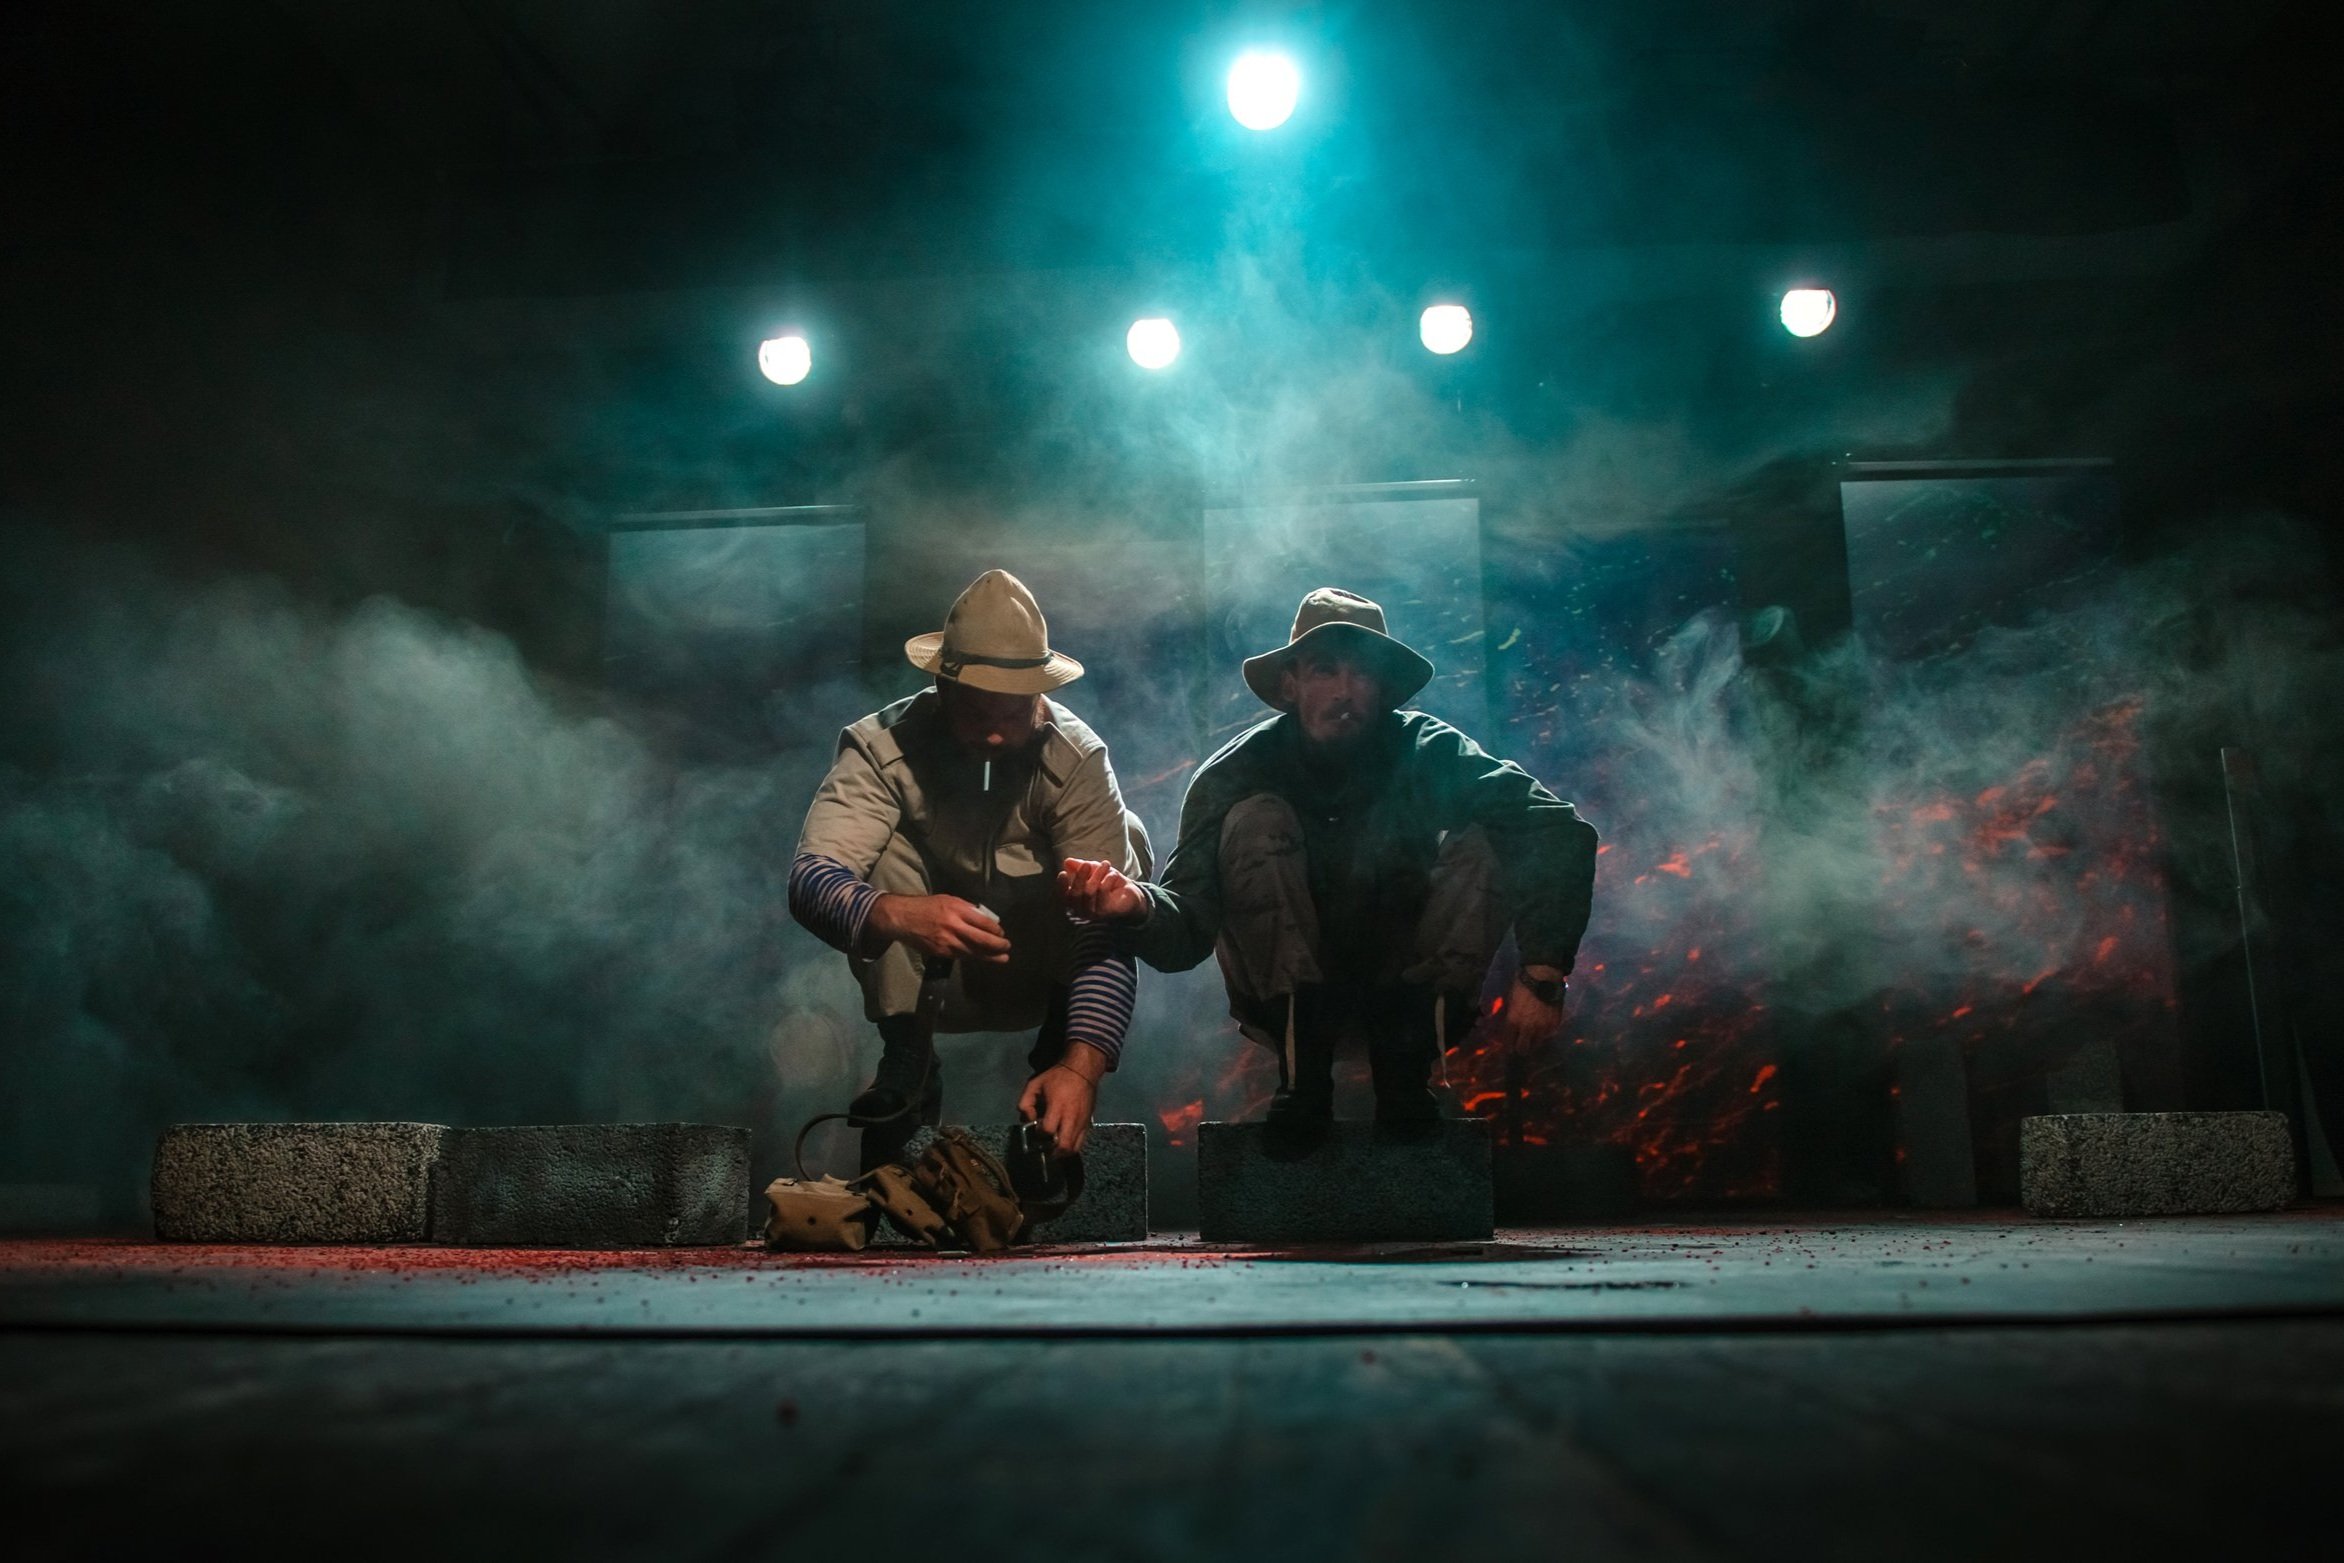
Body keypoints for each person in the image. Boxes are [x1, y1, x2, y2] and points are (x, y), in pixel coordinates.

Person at [1060, 587, 1597, 1129]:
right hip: (1289, 1006)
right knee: (1255, 819)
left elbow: (1558, 828)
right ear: (1290, 684)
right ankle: (1304, 1081)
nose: (1344, 690)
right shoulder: (1237, 772)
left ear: (1383, 687)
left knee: (1488, 834)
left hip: (1409, 998)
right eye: (1324, 670)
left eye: (1362, 673)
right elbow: (1190, 928)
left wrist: (1543, 971)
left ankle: (1406, 1075)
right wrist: (1137, 904)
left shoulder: (1431, 751)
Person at [790, 569, 1150, 1166]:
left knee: (1122, 853)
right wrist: (898, 914)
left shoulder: (1078, 757)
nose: (994, 734)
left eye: (1013, 712)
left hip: (1038, 971)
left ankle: (1054, 1056)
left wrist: (1081, 1067)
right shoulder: (879, 747)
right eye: (977, 710)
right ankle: (907, 1061)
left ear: (1040, 696)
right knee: (874, 856)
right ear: (942, 687)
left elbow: (1106, 925)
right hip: (929, 980)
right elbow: (811, 879)